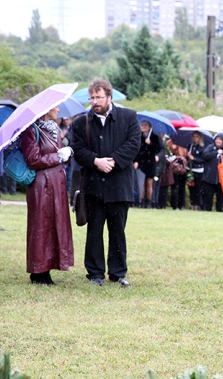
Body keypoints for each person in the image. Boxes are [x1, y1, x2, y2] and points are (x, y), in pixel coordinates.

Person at [70, 77, 141, 287]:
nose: (95, 101)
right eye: (92, 97)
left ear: (109, 97)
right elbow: (77, 149)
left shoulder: (128, 116)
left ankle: (118, 273)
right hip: (93, 185)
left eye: (99, 97)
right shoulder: (80, 122)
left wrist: (114, 160)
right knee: (94, 231)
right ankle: (95, 273)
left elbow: (134, 143)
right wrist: (95, 161)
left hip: (120, 184)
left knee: (118, 230)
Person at [20, 106, 74, 285]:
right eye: (55, 106)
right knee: (40, 225)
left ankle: (47, 267)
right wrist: (57, 157)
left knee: (54, 224)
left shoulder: (53, 129)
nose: (58, 109)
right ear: (46, 109)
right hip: (41, 185)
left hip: (56, 183)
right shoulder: (31, 130)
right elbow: (33, 160)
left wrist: (66, 152)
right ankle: (38, 270)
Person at [199, 134, 223, 212]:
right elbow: (204, 156)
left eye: (219, 139)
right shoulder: (210, 147)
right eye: (216, 139)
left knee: (220, 198)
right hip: (209, 178)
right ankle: (207, 210)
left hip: (222, 179)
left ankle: (219, 210)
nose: (217, 141)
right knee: (208, 197)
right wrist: (216, 152)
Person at [133, 121, 161, 209]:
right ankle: (141, 201)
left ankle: (148, 202)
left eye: (145, 125)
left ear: (149, 127)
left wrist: (150, 144)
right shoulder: (138, 136)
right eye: (142, 125)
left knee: (149, 183)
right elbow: (136, 150)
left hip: (150, 162)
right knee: (141, 183)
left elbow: (157, 149)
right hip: (141, 162)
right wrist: (135, 161)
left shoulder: (155, 137)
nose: (143, 126)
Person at [186, 131, 205, 211]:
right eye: (193, 136)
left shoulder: (202, 147)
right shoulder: (190, 146)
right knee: (191, 188)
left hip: (198, 170)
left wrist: (194, 159)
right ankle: (192, 204)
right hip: (190, 169)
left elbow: (203, 159)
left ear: (200, 138)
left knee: (198, 188)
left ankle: (198, 204)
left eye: (196, 136)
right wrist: (188, 156)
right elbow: (187, 158)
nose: (195, 138)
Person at [167, 139, 188, 210]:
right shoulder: (170, 143)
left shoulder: (186, 143)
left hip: (183, 167)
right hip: (174, 167)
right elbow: (168, 155)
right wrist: (173, 149)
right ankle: (174, 205)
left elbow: (186, 155)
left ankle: (181, 205)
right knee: (174, 187)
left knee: (181, 187)